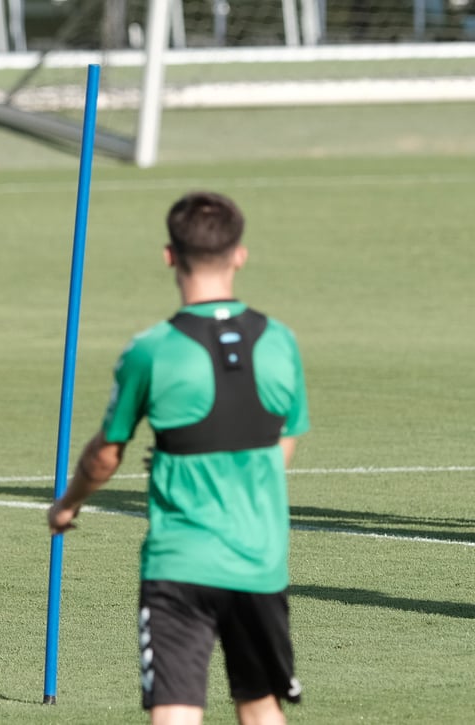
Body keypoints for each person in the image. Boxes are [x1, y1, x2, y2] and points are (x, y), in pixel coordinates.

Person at [48, 191, 309, 725]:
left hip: (179, 563)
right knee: (261, 707)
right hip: (260, 560)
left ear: (169, 255)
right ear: (240, 254)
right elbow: (285, 439)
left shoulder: (151, 349)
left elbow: (105, 454)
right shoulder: (280, 342)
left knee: (175, 710)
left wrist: (68, 503)